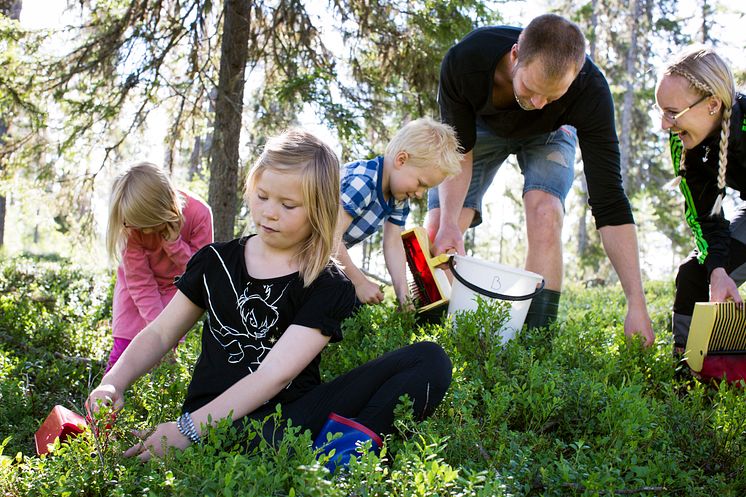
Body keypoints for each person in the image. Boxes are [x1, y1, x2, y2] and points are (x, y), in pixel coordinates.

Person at [86, 129, 452, 470]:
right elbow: (160, 333)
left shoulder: (326, 283)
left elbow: (274, 376)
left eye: (289, 205)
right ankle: (315, 460)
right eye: (262, 196)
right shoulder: (216, 261)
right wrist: (113, 383)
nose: (270, 212)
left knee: (430, 360)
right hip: (213, 422)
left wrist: (184, 430)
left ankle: (339, 464)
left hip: (286, 423)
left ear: (319, 210)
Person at [425, 14, 654, 344]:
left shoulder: (590, 91)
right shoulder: (467, 62)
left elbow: (610, 200)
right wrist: (448, 221)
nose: (538, 103)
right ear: (515, 54)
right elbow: (458, 152)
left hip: (551, 134)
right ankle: (436, 330)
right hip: (481, 129)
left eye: (553, 95)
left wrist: (636, 302)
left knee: (545, 211)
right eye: (530, 89)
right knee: (440, 225)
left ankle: (536, 341)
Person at [654, 45, 745, 353]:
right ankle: (686, 375)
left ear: (712, 105)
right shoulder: (684, 142)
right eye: (661, 111)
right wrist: (718, 269)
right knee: (696, 272)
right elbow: (706, 216)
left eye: (672, 113)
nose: (665, 124)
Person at [336, 117, 462, 307]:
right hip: (298, 246)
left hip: (321, 255)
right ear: (401, 160)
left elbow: (393, 243)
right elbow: (328, 236)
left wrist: (403, 294)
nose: (419, 194)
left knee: (350, 304)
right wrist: (360, 282)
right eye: (421, 183)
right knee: (340, 296)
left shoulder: (398, 198)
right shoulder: (363, 181)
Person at [105, 162, 213, 370]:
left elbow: (199, 273)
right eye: (132, 225)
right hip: (134, 294)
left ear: (161, 211)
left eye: (145, 226)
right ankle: (104, 400)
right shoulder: (132, 225)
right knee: (122, 353)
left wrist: (174, 245)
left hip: (178, 292)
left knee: (164, 362)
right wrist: (157, 328)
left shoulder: (199, 215)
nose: (141, 232)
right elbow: (140, 282)